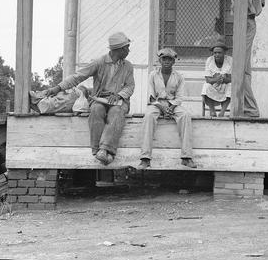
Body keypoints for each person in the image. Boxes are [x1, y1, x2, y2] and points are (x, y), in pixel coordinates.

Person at [44, 32, 135, 165]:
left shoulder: (128, 66)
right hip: (99, 98)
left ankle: (105, 150)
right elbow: (78, 76)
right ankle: (97, 150)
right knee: (96, 110)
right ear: (118, 49)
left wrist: (119, 94)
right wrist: (57, 88)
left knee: (116, 112)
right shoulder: (100, 62)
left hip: (119, 101)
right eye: (126, 47)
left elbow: (130, 86)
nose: (128, 50)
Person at [137, 48, 196, 170]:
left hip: (173, 104)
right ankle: (145, 158)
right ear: (160, 60)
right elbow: (151, 96)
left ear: (174, 62)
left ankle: (186, 157)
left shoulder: (179, 76)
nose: (167, 62)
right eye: (164, 59)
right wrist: (162, 108)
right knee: (148, 116)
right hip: (157, 104)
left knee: (185, 115)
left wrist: (171, 107)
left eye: (170, 59)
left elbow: (179, 97)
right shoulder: (153, 75)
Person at [224, 0, 265, 117]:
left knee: (239, 68)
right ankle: (248, 107)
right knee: (244, 68)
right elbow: (261, 1)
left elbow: (243, 5)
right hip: (245, 24)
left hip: (245, 24)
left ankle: (251, 108)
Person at [201, 39, 232, 117]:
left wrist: (224, 79)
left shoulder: (230, 60)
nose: (217, 55)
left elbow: (233, 78)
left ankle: (222, 112)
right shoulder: (209, 60)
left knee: (231, 86)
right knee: (206, 86)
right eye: (215, 53)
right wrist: (216, 79)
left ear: (224, 53)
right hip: (213, 84)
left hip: (225, 83)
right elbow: (208, 79)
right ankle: (212, 111)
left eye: (219, 52)